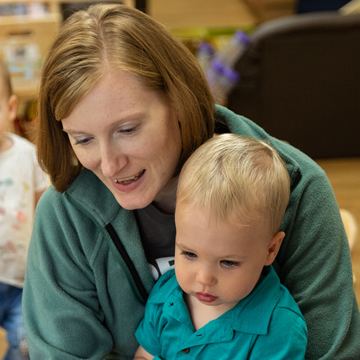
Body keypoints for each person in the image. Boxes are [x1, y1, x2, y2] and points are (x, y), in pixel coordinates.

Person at [22, 4, 360, 360]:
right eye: (83, 139)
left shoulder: (300, 189)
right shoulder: (64, 215)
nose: (108, 165)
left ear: (178, 99)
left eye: (128, 129)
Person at [134, 134, 307, 360]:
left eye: (227, 262)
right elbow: (145, 355)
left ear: (270, 250)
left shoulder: (279, 328)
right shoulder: (167, 292)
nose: (204, 278)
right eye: (189, 254)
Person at [0, 60, 48, 360]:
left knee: (26, 345)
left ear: (10, 107)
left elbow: (45, 207)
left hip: (23, 280)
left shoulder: (27, 155)